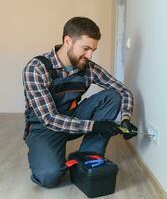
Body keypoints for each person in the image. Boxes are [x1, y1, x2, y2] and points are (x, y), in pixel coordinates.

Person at [22, 16, 137, 188]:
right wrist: (93, 126)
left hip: (73, 117)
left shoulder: (87, 67)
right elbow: (48, 118)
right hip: (44, 127)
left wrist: (125, 119)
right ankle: (48, 155)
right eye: (86, 48)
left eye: (93, 50)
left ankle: (86, 158)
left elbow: (123, 91)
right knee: (49, 177)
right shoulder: (37, 68)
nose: (90, 55)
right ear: (67, 41)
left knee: (113, 96)